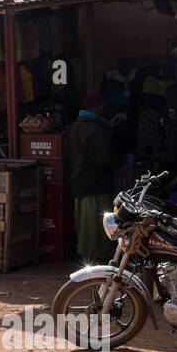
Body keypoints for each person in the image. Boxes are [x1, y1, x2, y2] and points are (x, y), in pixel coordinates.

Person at [68, 93, 116, 263]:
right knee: (100, 221)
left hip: (81, 180)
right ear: (97, 107)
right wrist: (118, 162)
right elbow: (103, 158)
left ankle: (86, 253)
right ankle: (99, 255)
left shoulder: (76, 126)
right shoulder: (95, 128)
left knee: (84, 222)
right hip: (96, 182)